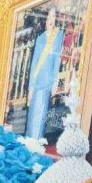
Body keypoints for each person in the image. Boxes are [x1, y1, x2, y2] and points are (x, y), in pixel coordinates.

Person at [25, 7, 64, 140]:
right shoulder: (40, 38)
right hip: (36, 81)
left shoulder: (58, 35)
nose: (50, 19)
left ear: (56, 19)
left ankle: (36, 143)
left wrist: (55, 83)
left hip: (47, 81)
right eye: (49, 17)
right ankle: (29, 142)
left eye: (53, 16)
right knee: (32, 114)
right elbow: (34, 62)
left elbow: (57, 60)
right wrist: (30, 86)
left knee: (41, 113)